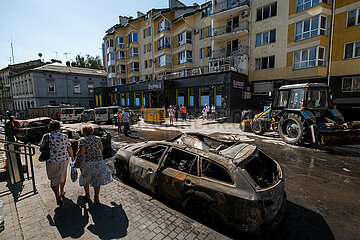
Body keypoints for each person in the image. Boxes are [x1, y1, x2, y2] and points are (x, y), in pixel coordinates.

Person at [40, 120, 74, 206]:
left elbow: (41, 148)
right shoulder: (64, 136)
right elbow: (69, 147)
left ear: (50, 128)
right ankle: (62, 191)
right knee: (63, 175)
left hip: (52, 161)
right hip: (64, 159)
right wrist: (72, 157)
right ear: (59, 128)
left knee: (54, 178)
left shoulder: (46, 136)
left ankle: (57, 195)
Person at [76, 124, 113, 204]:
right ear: (92, 131)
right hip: (98, 161)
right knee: (97, 179)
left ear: (83, 132)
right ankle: (96, 198)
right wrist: (95, 154)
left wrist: (77, 154)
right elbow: (101, 149)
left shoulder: (82, 140)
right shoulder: (97, 138)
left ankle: (87, 195)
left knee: (86, 178)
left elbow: (81, 152)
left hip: (87, 162)